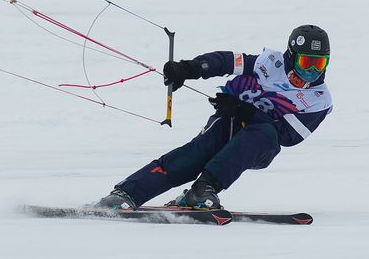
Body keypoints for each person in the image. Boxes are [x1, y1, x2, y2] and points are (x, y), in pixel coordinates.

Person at [93, 25, 333, 210]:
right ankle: (127, 193)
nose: (311, 71)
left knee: (264, 134)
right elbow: (226, 61)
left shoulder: (319, 99)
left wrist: (246, 111)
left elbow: (286, 136)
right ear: (291, 57)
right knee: (196, 153)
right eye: (306, 62)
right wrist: (190, 69)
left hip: (260, 145)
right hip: (228, 124)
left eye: (319, 64)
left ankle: (203, 189)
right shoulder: (269, 63)